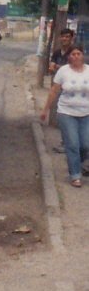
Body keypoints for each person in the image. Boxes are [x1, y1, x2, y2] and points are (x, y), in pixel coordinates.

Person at [41, 44, 89, 187]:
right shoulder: (63, 71)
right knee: (72, 144)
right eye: (73, 54)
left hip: (86, 113)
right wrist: (45, 110)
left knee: (85, 145)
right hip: (66, 113)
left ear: (83, 55)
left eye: (78, 54)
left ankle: (75, 162)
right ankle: (75, 175)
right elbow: (54, 91)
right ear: (69, 56)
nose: (75, 56)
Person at [48, 28, 76, 150]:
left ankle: (68, 144)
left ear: (71, 38)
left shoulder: (75, 52)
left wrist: (58, 67)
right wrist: (53, 66)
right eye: (63, 36)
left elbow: (73, 68)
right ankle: (66, 143)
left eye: (67, 37)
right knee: (63, 117)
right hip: (60, 89)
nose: (64, 39)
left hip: (72, 90)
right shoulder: (57, 52)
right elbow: (51, 66)